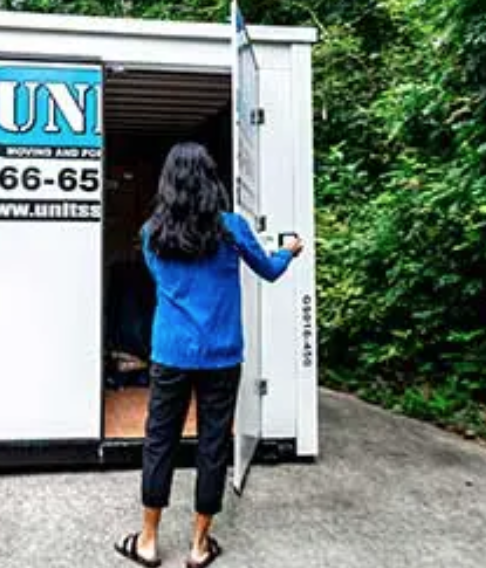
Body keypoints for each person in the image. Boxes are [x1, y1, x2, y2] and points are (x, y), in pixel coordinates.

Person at [115, 142, 303, 568]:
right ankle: (199, 547)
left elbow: (166, 282)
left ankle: (147, 541)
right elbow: (270, 271)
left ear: (169, 183)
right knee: (214, 444)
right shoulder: (232, 228)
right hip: (221, 355)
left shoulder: (151, 233)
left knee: (160, 442)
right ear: (210, 181)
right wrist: (288, 251)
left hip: (170, 353)